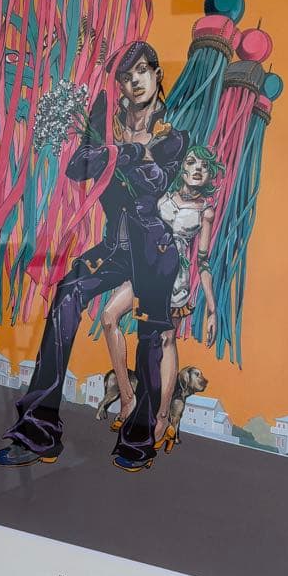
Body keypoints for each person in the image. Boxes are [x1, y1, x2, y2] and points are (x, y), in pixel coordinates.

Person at [0, 41, 187, 472]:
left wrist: (116, 153)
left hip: (153, 250)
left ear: (157, 74)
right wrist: (122, 150)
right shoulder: (103, 118)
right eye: (125, 76)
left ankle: (137, 442)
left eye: (142, 71)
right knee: (67, 294)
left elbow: (155, 180)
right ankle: (38, 431)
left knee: (151, 336)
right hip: (114, 247)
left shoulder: (173, 132)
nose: (134, 81)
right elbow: (77, 166)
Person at [99, 144, 223, 451]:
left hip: (174, 279)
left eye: (204, 166)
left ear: (210, 175)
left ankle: (163, 415)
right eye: (192, 162)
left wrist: (212, 309)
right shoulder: (161, 195)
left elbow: (203, 262)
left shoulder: (205, 211)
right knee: (109, 317)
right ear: (182, 168)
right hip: (146, 268)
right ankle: (126, 397)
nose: (197, 169)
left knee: (167, 341)